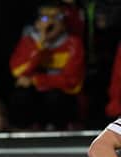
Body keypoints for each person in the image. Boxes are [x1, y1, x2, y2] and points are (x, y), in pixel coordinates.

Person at [8, 0, 85, 129]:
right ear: (37, 24)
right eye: (45, 18)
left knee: (54, 97)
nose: (50, 22)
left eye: (57, 17)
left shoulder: (74, 44)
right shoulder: (29, 42)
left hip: (61, 100)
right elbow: (18, 72)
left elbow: (73, 82)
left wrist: (36, 80)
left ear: (64, 24)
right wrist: (40, 47)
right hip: (36, 99)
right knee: (21, 95)